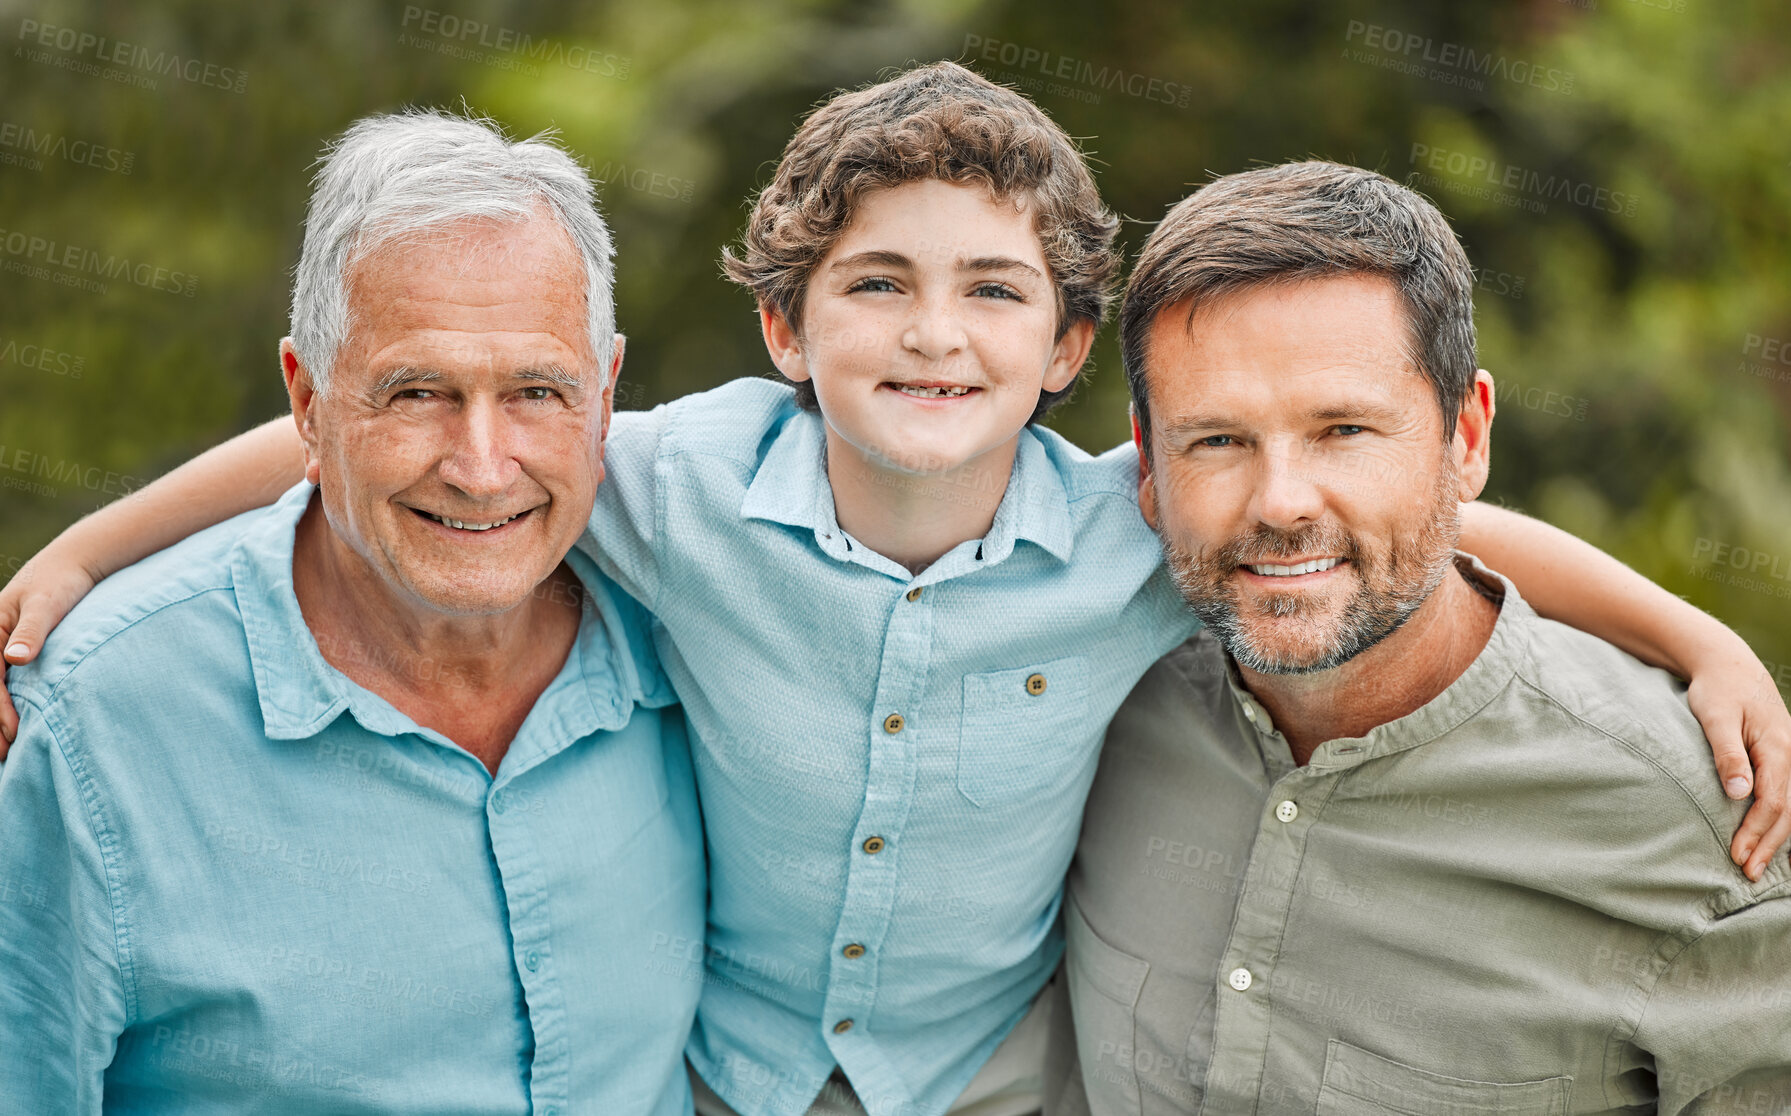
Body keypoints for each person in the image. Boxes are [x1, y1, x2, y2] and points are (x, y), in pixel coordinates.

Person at [3, 65, 1788, 1116]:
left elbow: (1436, 528)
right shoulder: (672, 487)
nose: (936, 332)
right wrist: (89, 552)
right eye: (877, 286)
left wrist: (1692, 633)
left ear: (1073, 347)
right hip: (727, 1080)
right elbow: (396, 431)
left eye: (995, 294)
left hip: (986, 1090)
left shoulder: (1141, 531)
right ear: (784, 323)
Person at [1047, 160, 1791, 1115]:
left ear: (1466, 440)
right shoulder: (1081, 692)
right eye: (1217, 441)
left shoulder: (1694, 829)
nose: (1279, 503)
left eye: (1345, 430)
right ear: (1147, 467)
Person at [0, 111, 705, 1113]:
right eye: (416, 391)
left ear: (605, 396)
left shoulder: (700, 618)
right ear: (306, 402)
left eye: (537, 391)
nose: (482, 467)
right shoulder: (87, 731)